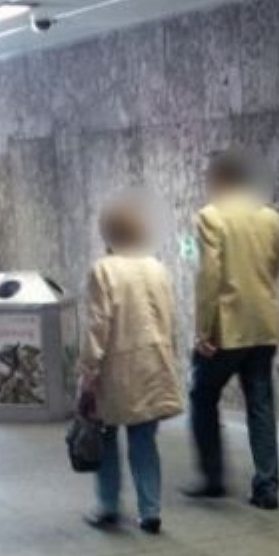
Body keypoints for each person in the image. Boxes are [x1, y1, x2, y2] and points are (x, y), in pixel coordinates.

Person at [186, 149, 279, 510]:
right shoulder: (271, 218)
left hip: (227, 328)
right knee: (260, 403)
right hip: (264, 324)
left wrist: (204, 330)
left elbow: (209, 278)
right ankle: (267, 486)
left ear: (220, 178)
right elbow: (274, 266)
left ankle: (213, 477)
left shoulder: (211, 217)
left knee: (202, 395)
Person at [78, 199, 183, 535]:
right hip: (154, 364)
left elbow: (98, 324)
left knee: (106, 436)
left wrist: (88, 370)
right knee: (144, 439)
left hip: (117, 368)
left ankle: (108, 506)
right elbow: (170, 318)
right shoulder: (157, 268)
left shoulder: (104, 270)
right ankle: (150, 511)